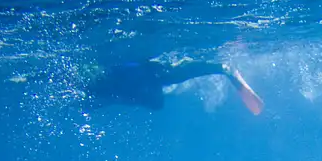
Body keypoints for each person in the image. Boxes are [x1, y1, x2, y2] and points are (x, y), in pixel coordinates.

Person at [89, 58, 264, 114]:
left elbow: (224, 67)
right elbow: (223, 67)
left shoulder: (159, 76)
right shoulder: (159, 77)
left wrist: (242, 87)